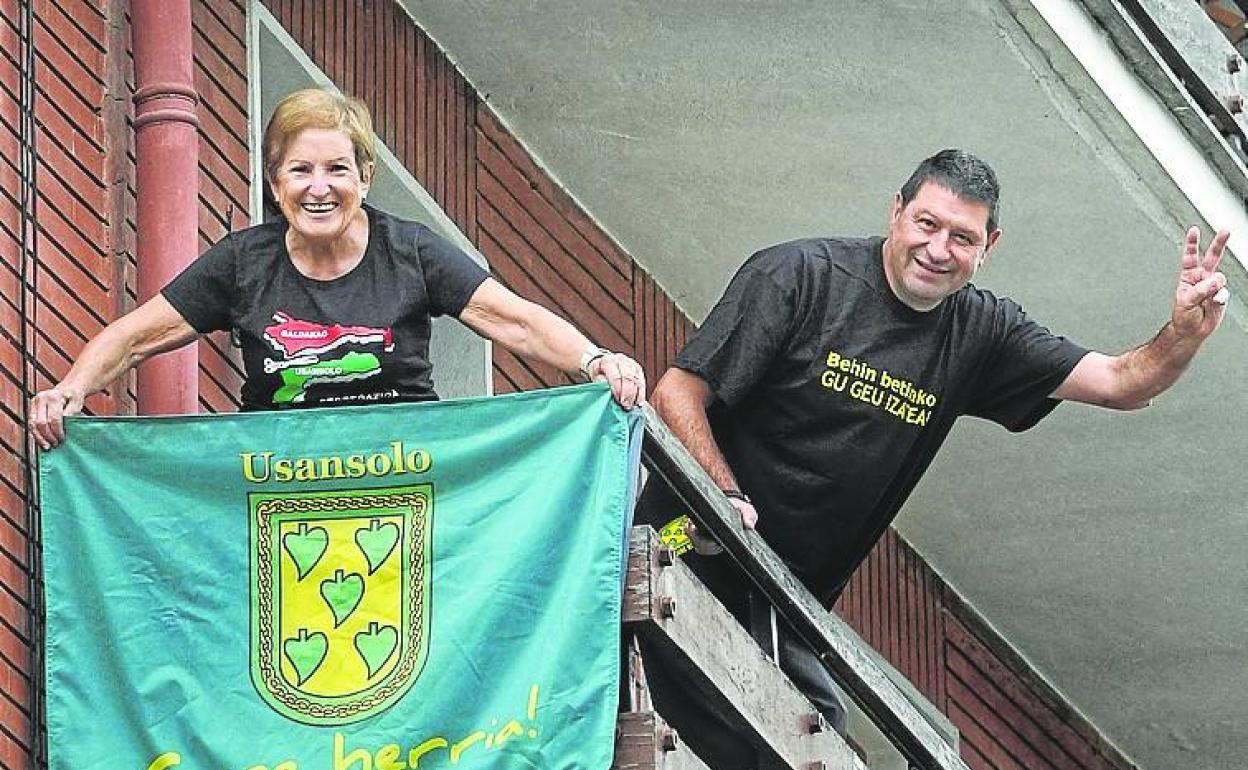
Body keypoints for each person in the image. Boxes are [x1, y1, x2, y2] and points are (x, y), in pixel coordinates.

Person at [635, 149, 1230, 768]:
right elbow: (677, 392)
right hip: (686, 540)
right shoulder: (801, 275)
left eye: (962, 237)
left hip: (785, 604)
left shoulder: (981, 332)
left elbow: (1118, 383)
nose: (939, 250)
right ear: (896, 211)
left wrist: (1182, 335)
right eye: (927, 224)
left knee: (809, 742)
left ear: (988, 246)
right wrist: (725, 500)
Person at [29, 88, 645, 449]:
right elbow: (140, 334)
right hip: (279, 480)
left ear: (365, 177)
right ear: (275, 184)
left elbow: (512, 320)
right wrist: (72, 389)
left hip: (403, 473)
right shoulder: (246, 263)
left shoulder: (409, 251)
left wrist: (595, 361)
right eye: (300, 171)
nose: (318, 188)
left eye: (337, 170)